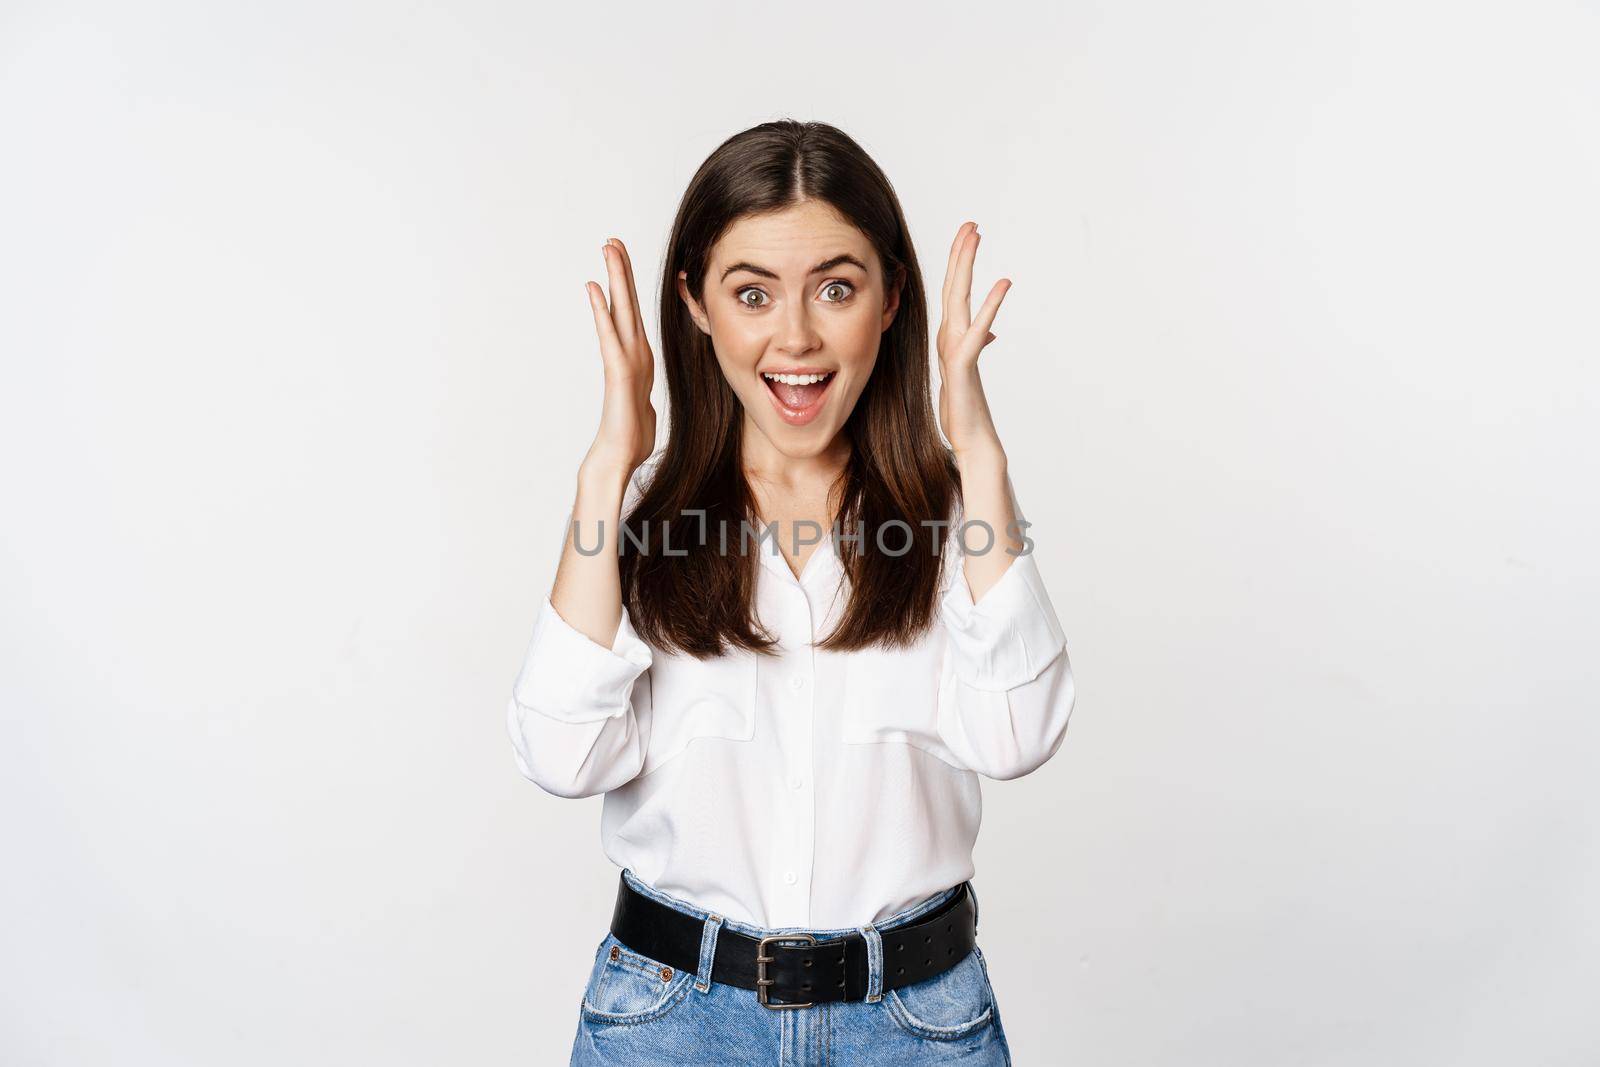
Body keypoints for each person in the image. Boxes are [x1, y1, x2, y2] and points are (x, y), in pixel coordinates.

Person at [506, 119, 1076, 1066]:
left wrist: (978, 453)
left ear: (892, 298)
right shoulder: (638, 517)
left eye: (836, 288)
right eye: (753, 293)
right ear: (695, 303)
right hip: (670, 1025)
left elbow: (1019, 736)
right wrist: (610, 464)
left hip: (915, 1025)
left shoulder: (954, 517)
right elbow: (562, 755)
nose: (797, 337)